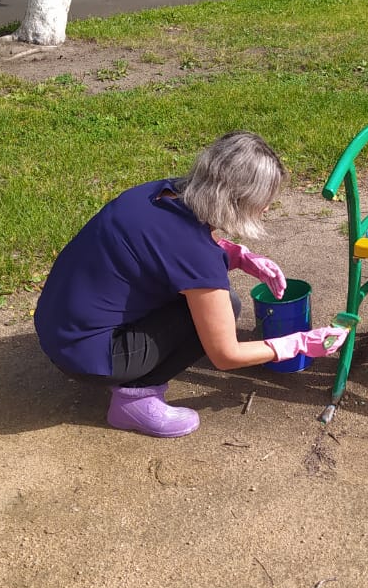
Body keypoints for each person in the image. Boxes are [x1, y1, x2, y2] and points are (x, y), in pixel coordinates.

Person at [34, 132, 348, 439]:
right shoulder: (198, 257)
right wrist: (298, 344)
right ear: (235, 200)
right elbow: (226, 355)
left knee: (207, 307)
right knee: (227, 307)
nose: (266, 208)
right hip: (85, 355)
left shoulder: (158, 192)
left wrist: (238, 256)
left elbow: (167, 247)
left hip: (57, 326)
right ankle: (134, 399)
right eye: (263, 200)